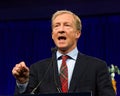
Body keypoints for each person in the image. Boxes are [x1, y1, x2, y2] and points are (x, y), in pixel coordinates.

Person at [12, 10, 115, 96]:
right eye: (56, 26)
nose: (61, 30)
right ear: (53, 35)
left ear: (77, 33)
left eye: (67, 25)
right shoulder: (38, 69)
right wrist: (22, 83)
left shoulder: (97, 66)